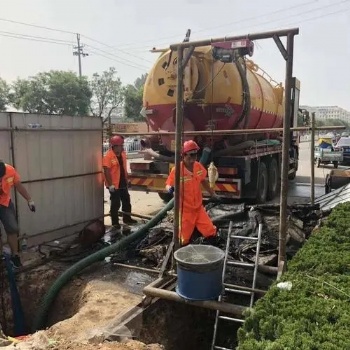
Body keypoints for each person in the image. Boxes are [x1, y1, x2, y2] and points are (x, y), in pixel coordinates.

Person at [165, 140, 218, 246]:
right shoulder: (177, 170)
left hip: (198, 208)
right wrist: (170, 189)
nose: (194, 158)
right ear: (183, 155)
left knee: (211, 231)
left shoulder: (198, 166)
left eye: (195, 155)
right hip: (185, 211)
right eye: (191, 155)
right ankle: (182, 256)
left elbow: (203, 180)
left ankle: (211, 251)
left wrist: (213, 194)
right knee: (183, 239)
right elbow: (168, 184)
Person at [0, 160, 35, 267]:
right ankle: (1, 257)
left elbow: (18, 185)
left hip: (5, 203)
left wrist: (29, 200)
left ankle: (15, 256)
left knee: (13, 228)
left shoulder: (10, 170)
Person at [103, 135, 137, 229]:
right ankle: (115, 222)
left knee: (126, 200)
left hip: (122, 182)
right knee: (116, 203)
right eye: (121, 145)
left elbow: (123, 168)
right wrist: (110, 185)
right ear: (115, 146)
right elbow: (106, 171)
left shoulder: (122, 154)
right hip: (114, 185)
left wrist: (127, 179)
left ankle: (127, 218)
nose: (122, 147)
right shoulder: (108, 156)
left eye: (122, 145)